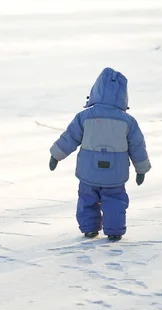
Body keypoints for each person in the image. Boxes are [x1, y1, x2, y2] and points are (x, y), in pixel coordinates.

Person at [48, 67, 151, 241]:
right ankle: (114, 230)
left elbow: (70, 137)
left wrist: (56, 155)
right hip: (114, 174)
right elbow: (137, 146)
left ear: (95, 91)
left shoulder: (85, 117)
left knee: (87, 199)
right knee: (114, 201)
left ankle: (89, 228)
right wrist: (141, 169)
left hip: (89, 171)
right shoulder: (128, 122)